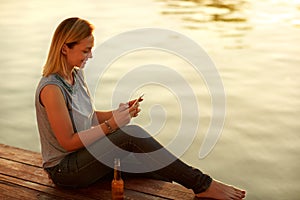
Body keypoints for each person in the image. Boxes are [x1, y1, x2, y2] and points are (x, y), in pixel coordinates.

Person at [35, 17, 246, 200]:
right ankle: (204, 184)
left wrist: (118, 114)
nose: (90, 56)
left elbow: (87, 118)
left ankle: (200, 190)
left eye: (91, 50)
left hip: (86, 156)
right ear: (65, 48)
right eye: (85, 50)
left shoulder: (75, 75)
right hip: (65, 170)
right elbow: (68, 142)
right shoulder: (52, 88)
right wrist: (112, 125)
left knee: (155, 168)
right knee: (130, 134)